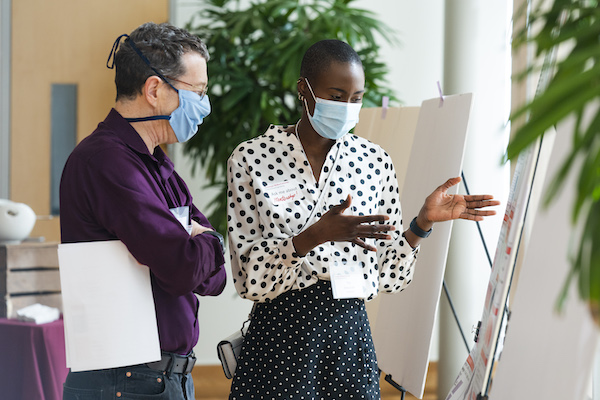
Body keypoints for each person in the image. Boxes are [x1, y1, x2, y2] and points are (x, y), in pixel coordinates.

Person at [226, 39, 500, 399]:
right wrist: (314, 236)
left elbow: (389, 276)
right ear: (304, 91)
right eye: (337, 96)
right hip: (281, 335)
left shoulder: (374, 162)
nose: (347, 108)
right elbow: (249, 279)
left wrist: (421, 224)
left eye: (356, 99)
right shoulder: (252, 158)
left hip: (349, 337)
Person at [59, 22, 226, 400]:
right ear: (154, 89)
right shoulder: (105, 162)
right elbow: (184, 267)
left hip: (164, 379)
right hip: (126, 381)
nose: (205, 104)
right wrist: (205, 241)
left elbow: (214, 280)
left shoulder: (156, 164)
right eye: (197, 91)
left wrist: (202, 245)